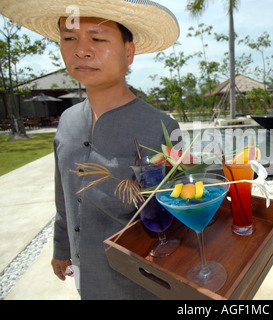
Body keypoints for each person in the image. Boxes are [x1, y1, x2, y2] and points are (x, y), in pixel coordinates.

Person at [1, 0, 180, 299]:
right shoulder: (67, 122)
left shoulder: (161, 127)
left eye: (97, 38)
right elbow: (64, 198)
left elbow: (181, 209)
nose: (81, 50)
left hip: (142, 283)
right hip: (87, 278)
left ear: (129, 52)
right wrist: (61, 247)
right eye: (69, 38)